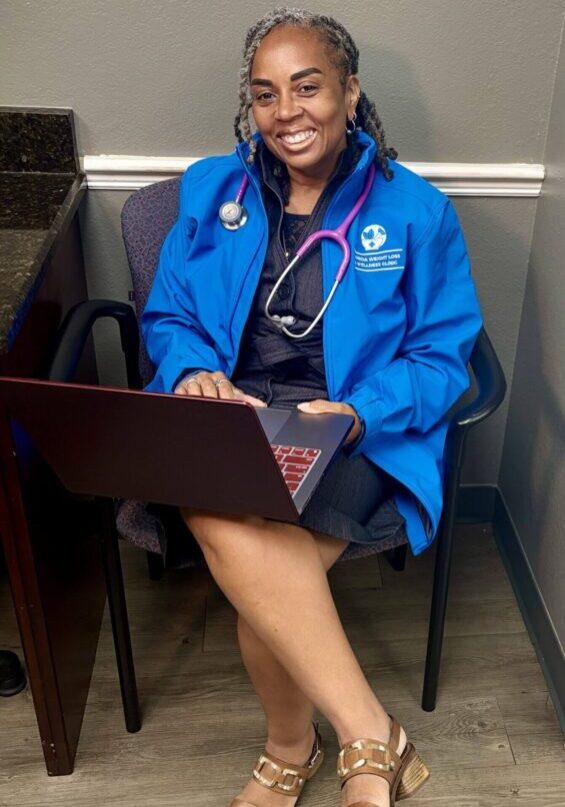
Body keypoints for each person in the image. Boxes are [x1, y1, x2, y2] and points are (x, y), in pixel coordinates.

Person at [141, 8, 483, 807]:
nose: (285, 111)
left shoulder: (415, 212)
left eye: (307, 87)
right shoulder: (211, 191)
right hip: (235, 416)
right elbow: (169, 314)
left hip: (355, 432)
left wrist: (357, 412)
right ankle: (371, 732)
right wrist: (192, 369)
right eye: (265, 94)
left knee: (255, 575)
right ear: (248, 107)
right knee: (228, 514)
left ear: (349, 90)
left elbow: (441, 358)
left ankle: (289, 750)